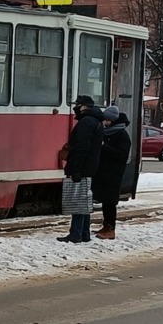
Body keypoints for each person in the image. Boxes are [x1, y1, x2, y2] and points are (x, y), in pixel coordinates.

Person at [60, 95, 105, 243]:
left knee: (78, 201)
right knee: (84, 200)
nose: (76, 107)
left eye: (78, 105)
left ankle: (76, 234)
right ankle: (84, 233)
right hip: (90, 166)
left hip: (82, 167)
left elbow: (81, 148)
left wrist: (76, 170)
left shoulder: (86, 122)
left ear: (85, 106)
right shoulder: (95, 121)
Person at [93, 107, 132, 240]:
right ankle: (106, 225)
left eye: (108, 120)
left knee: (110, 203)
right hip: (103, 173)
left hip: (113, 174)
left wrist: (104, 146)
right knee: (105, 202)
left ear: (113, 121)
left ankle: (111, 229)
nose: (105, 122)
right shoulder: (106, 132)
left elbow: (121, 155)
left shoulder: (122, 135)